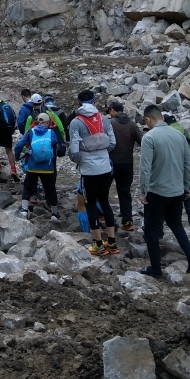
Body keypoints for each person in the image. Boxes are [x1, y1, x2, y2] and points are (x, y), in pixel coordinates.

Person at [139, 104, 190, 278]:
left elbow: (145, 168)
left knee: (151, 230)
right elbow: (189, 163)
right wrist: (186, 186)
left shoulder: (149, 137)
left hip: (157, 192)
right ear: (163, 118)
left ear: (148, 119)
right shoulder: (179, 135)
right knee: (176, 224)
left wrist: (143, 191)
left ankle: (156, 270)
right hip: (177, 191)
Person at [69, 90, 118, 256]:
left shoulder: (76, 122)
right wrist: (102, 153)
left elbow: (74, 149)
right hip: (105, 167)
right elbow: (112, 142)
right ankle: (111, 242)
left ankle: (98, 244)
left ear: (79, 103)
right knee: (104, 202)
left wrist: (80, 160)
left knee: (90, 204)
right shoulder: (103, 119)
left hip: (88, 170)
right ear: (94, 101)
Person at [163, 113, 190, 255]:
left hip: (174, 181)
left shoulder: (169, 135)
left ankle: (157, 235)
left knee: (165, 208)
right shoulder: (186, 132)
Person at [14, 113, 61, 223]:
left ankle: (24, 210)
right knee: (50, 189)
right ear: (48, 122)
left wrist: (17, 156)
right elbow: (55, 147)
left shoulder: (31, 131)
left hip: (33, 166)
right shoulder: (51, 132)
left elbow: (19, 145)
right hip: (47, 167)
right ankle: (54, 213)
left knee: (27, 187)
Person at [108, 100, 143, 231]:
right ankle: (127, 221)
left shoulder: (111, 124)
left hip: (111, 163)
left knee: (103, 191)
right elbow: (143, 143)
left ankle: (105, 218)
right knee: (124, 192)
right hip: (127, 163)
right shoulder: (132, 125)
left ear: (112, 110)